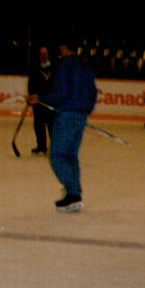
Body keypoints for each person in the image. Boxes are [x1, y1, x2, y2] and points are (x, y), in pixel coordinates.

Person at [44, 40, 98, 212]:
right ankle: (74, 194)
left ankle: (74, 193)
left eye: (61, 47)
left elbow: (61, 92)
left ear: (65, 47)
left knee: (58, 156)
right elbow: (93, 92)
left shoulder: (65, 66)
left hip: (66, 115)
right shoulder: (85, 66)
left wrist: (41, 98)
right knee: (70, 156)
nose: (59, 50)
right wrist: (85, 111)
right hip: (80, 116)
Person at [27, 45, 54, 155]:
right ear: (39, 55)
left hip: (50, 101)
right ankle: (41, 147)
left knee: (52, 125)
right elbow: (31, 84)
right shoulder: (34, 68)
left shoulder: (54, 68)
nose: (43, 55)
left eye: (45, 53)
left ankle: (55, 148)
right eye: (41, 53)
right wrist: (32, 95)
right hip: (37, 102)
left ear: (48, 55)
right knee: (39, 125)